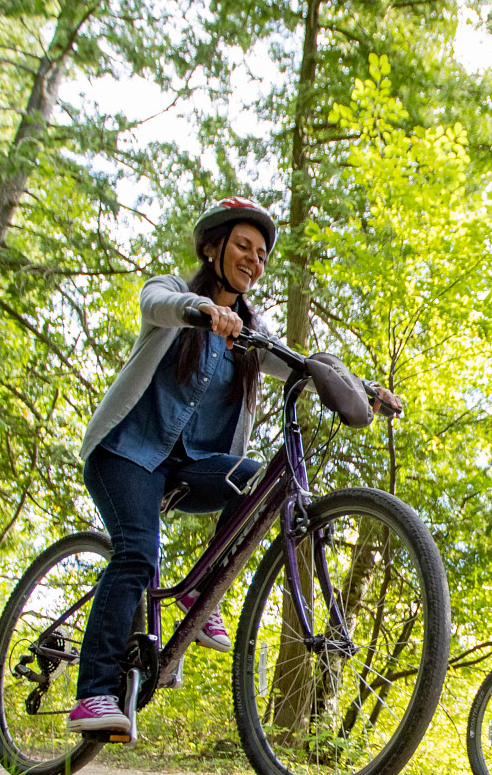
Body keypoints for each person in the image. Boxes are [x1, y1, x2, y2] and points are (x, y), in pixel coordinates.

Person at [68, 198, 394, 735]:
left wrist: (363, 389)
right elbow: (157, 303)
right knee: (135, 554)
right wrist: (200, 310)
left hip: (189, 467)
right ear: (213, 247)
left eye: (262, 254)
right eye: (244, 246)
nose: (254, 260)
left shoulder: (249, 333)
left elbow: (302, 365)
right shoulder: (173, 291)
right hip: (126, 455)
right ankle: (95, 693)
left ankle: (201, 594)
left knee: (260, 481)